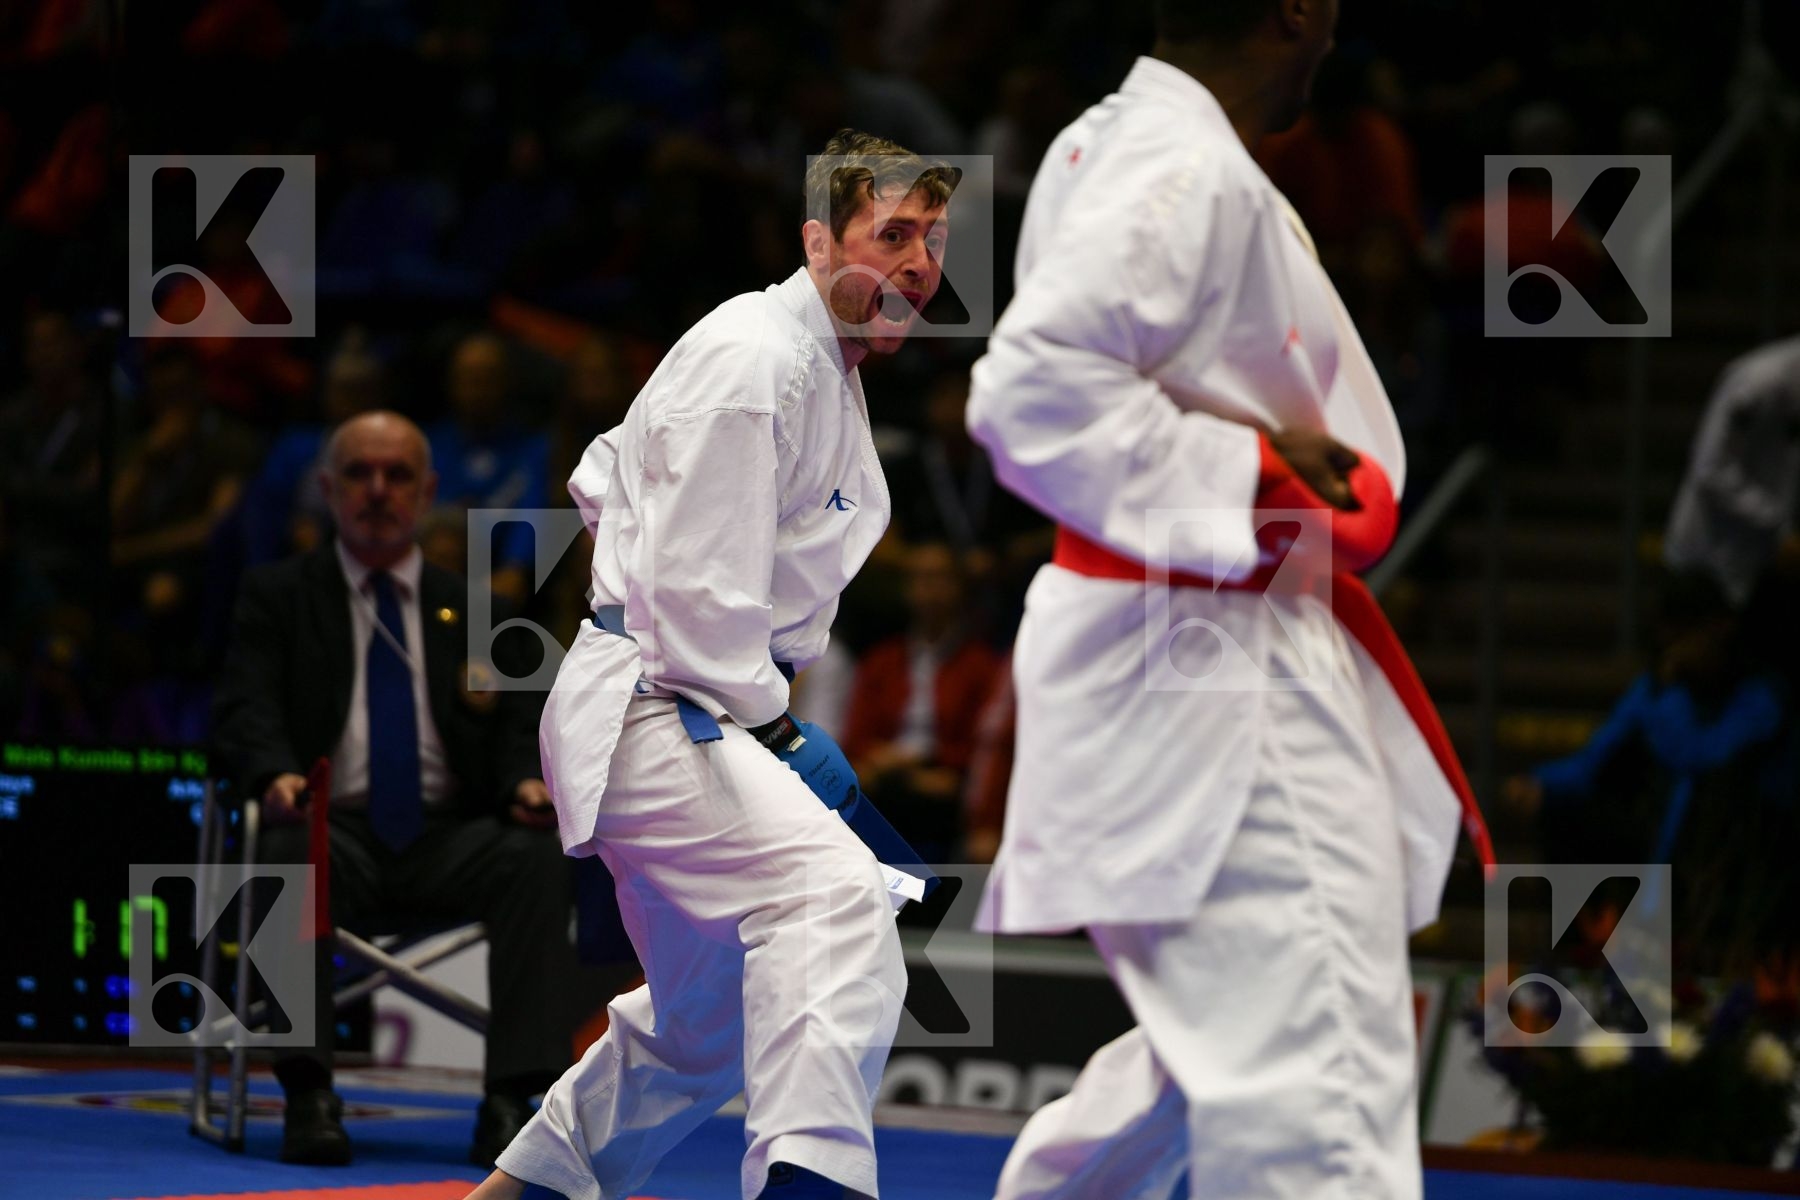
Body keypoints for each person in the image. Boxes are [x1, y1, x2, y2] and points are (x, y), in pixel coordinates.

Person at [963, 3, 1494, 1197]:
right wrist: (1250, 483)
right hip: (1215, 653)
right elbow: (1032, 392)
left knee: (1208, 1057)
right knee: (1317, 1094)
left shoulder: (1119, 142)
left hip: (1193, 638)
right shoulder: (1179, 164)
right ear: (1294, 10)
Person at [463, 129, 957, 1200]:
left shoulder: (819, 365)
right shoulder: (754, 360)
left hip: (691, 704)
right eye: (895, 233)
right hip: (661, 706)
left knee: (707, 1023)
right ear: (819, 240)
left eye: (936, 238)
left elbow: (616, 486)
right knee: (836, 903)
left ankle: (522, 1192)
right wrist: (781, 734)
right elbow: (693, 606)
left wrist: (773, 725)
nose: (922, 263)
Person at [212, 411, 575, 1169]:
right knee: (287, 846)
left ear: (428, 489)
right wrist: (274, 772)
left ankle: (512, 1099)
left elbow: (520, 727)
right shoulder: (277, 595)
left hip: (450, 839)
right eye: (359, 474)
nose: (378, 491)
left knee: (536, 855)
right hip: (329, 831)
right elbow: (246, 706)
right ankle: (308, 1092)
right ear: (326, 489)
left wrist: (524, 785)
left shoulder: (477, 609)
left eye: (398, 475)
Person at [1663, 333, 1800, 608]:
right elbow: (1711, 467)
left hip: (1756, 561)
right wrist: (1778, 524)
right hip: (1706, 556)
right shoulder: (1762, 380)